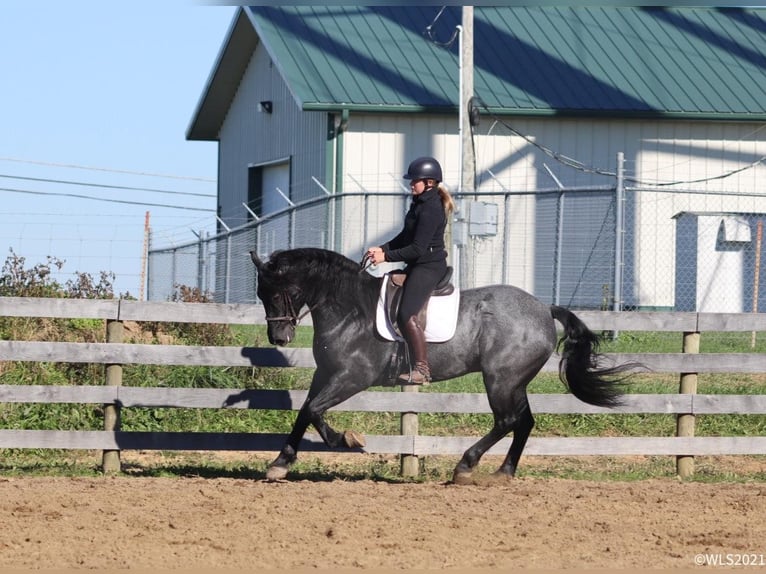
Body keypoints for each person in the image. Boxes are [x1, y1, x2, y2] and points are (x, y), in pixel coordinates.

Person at [366, 156, 455, 384]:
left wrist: (385, 257)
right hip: (417, 264)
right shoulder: (419, 203)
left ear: (429, 182)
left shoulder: (432, 208)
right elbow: (406, 237)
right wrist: (383, 248)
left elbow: (417, 248)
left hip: (429, 267)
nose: (410, 184)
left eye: (414, 180)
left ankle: (422, 369)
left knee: (407, 314)